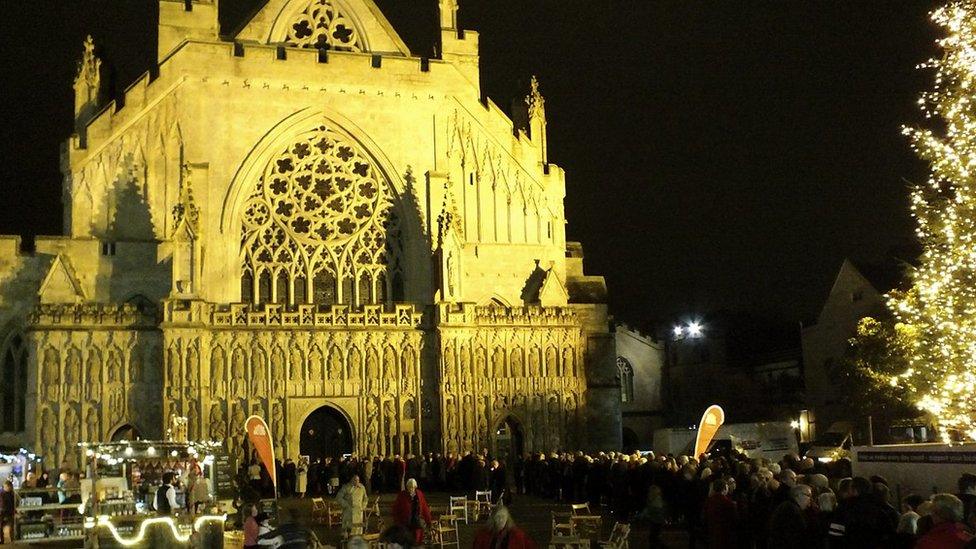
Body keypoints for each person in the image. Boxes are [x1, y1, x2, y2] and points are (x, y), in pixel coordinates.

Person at [767, 484, 813, 548]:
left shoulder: (788, 506)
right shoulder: (791, 510)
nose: (810, 499)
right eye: (808, 495)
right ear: (798, 495)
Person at [392, 478, 433, 545]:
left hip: (416, 522)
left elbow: (425, 508)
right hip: (405, 523)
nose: (411, 489)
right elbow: (396, 509)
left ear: (415, 487)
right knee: (406, 542)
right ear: (407, 487)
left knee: (416, 541)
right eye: (409, 487)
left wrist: (428, 521)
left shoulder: (419, 494)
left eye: (413, 487)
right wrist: (397, 521)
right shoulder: (402, 495)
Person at [703, 478, 737, 549]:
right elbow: (734, 519)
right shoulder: (729, 503)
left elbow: (705, 516)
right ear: (724, 488)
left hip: (712, 531)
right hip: (725, 533)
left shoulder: (709, 501)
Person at [1, 481, 15, 545]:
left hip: (9, 512)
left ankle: (12, 539)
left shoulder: (12, 493)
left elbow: (13, 503)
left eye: (10, 487)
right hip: (2, 512)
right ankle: (2, 540)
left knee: (11, 526)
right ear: (4, 487)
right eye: (7, 487)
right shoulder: (1, 494)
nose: (9, 488)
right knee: (1, 527)